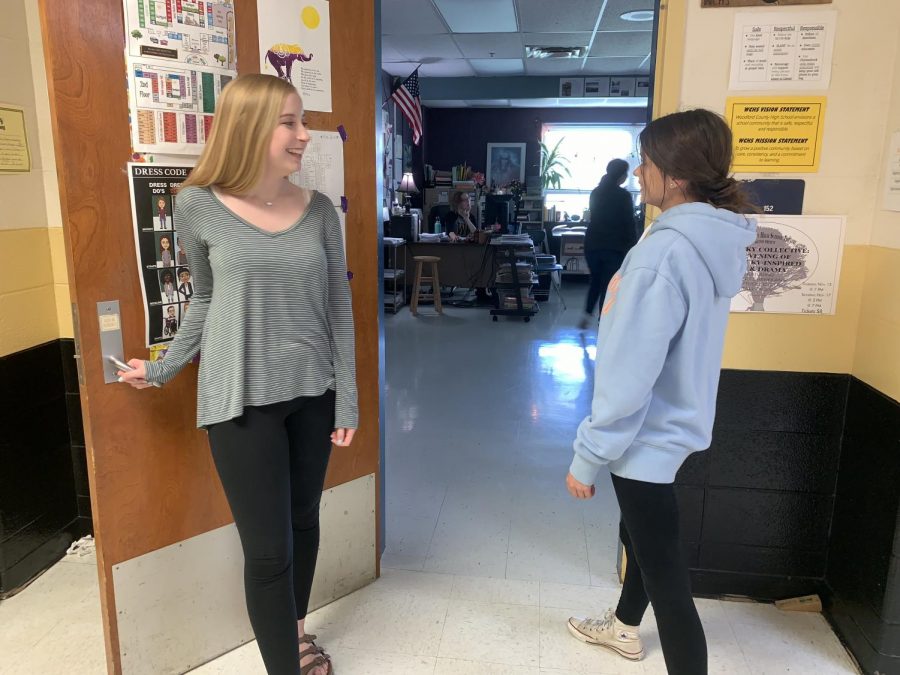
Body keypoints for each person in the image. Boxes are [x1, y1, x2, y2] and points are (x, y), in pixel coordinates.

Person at [118, 73, 357, 675]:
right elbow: (203, 300)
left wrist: (347, 400)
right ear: (249, 128)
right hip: (240, 400)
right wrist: (167, 367)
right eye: (291, 123)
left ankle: (295, 633)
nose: (305, 135)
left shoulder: (320, 211)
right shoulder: (197, 206)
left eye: (302, 122)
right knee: (268, 549)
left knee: (305, 520)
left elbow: (338, 308)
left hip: (314, 396)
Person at [564, 109, 757, 675]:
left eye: (646, 161)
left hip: (644, 437)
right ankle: (625, 629)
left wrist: (588, 455)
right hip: (675, 427)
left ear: (674, 175)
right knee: (642, 541)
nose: (639, 173)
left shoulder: (661, 254)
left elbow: (629, 374)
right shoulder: (704, 240)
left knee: (667, 578)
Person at [578, 159, 638, 330]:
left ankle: (587, 313)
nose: (627, 176)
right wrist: (634, 247)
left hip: (592, 245)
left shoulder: (596, 192)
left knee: (596, 281)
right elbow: (629, 223)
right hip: (613, 246)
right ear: (620, 175)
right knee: (609, 285)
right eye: (626, 173)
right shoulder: (623, 196)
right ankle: (604, 322)